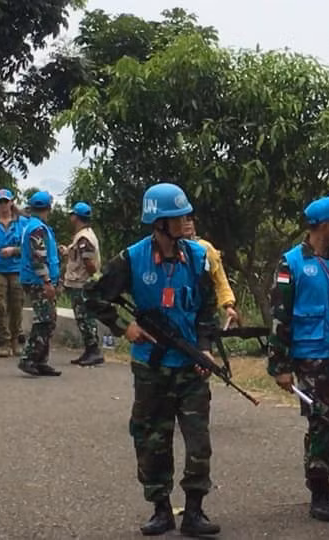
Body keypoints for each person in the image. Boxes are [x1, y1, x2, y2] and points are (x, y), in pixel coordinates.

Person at [83, 183, 221, 537]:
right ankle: (161, 508)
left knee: (198, 441)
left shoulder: (198, 257)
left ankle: (194, 511)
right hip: (151, 367)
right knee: (151, 439)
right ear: (159, 222)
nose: (186, 221)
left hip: (190, 365)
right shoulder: (132, 258)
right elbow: (94, 296)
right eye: (179, 217)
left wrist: (205, 347)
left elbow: (207, 309)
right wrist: (124, 327)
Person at [267, 195, 329, 523]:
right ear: (324, 226)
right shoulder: (292, 263)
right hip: (311, 354)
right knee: (322, 418)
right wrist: (280, 365)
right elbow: (280, 316)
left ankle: (321, 470)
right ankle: (320, 487)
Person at [17, 191, 61, 377]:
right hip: (38, 281)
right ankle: (29, 357)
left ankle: (41, 360)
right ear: (48, 208)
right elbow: (38, 258)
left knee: (49, 320)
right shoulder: (37, 229)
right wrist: (47, 282)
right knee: (44, 319)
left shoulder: (35, 226)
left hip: (38, 279)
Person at [60, 202, 104, 366]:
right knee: (83, 318)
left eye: (72, 214)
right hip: (79, 282)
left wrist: (94, 278)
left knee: (85, 318)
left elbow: (88, 262)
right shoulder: (82, 235)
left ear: (76, 217)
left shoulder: (84, 237)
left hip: (82, 284)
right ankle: (89, 350)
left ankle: (94, 351)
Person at [0, 189, 27, 358]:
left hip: (17, 269)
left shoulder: (22, 223)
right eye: (0, 202)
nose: (3, 205)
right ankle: (4, 342)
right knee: (0, 306)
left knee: (16, 305)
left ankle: (15, 340)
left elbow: (30, 246)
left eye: (6, 201)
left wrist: (14, 250)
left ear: (11, 202)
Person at [183, 217, 240, 325]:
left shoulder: (206, 248)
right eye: (183, 220)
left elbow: (220, 279)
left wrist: (228, 306)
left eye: (189, 220)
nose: (187, 224)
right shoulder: (168, 251)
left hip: (205, 315)